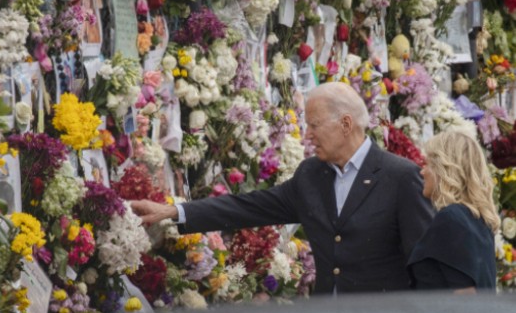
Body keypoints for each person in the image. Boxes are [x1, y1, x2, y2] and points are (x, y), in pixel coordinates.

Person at [131, 82, 434, 294]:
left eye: (314, 125)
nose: (308, 135)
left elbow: (425, 262)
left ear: (345, 124)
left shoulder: (400, 177)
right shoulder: (312, 175)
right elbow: (249, 207)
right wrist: (173, 210)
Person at [407, 131, 499, 292]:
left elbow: (465, 295)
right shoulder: (477, 219)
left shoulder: (451, 219)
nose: (422, 172)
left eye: (428, 164)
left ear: (444, 169)